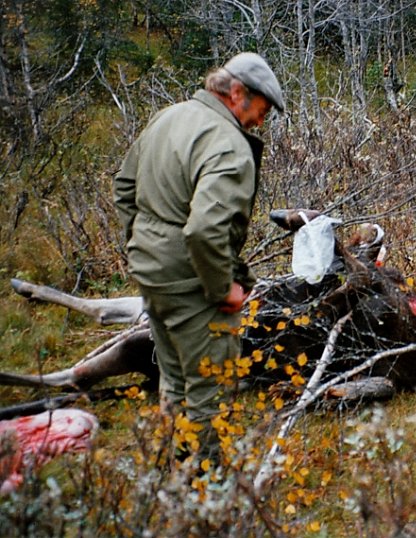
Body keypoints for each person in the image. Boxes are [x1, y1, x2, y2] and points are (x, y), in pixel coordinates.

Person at [113, 52, 284, 465]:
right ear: (237, 92)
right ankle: (206, 489)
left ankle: (174, 470)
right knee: (211, 389)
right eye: (261, 110)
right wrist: (221, 287)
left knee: (174, 378)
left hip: (152, 276)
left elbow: (124, 187)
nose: (261, 122)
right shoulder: (229, 146)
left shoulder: (169, 117)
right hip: (193, 286)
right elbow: (205, 230)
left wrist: (145, 250)